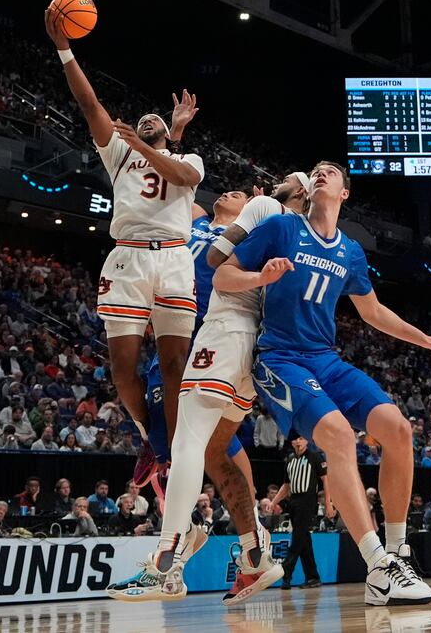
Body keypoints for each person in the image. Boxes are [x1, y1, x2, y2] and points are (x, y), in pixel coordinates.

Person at [221, 161, 431, 607]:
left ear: (344, 193)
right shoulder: (281, 227)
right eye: (315, 169)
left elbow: (373, 312)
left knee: (398, 429)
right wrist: (261, 277)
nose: (320, 173)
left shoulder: (351, 251)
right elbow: (223, 274)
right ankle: (377, 566)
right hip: (280, 359)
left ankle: (397, 551)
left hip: (326, 359)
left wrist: (427, 339)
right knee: (339, 436)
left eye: (331, 171)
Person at [130, 176, 314, 604]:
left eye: (282, 181)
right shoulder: (305, 236)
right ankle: (255, 549)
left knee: (185, 443)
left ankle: (167, 562)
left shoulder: (263, 209)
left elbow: (218, 263)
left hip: (218, 331)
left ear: (295, 193)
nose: (270, 183)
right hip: (255, 345)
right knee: (216, 452)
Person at [48, 11, 202, 488]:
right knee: (122, 370)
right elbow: (89, 102)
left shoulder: (185, 156)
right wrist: (64, 48)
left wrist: (164, 140)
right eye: (142, 120)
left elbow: (184, 177)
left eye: (154, 119)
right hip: (129, 257)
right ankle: (150, 436)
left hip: (174, 257)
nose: (147, 119)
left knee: (176, 365)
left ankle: (174, 456)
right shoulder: (119, 153)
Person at [274, 434, 325, 590]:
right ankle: (313, 577)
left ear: (307, 440)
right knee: (303, 540)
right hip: (294, 501)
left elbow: (326, 481)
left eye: (301, 438)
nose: (298, 441)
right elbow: (286, 485)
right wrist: (274, 501)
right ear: (291, 441)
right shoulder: (289, 459)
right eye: (295, 439)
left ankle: (286, 573)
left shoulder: (315, 457)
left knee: (297, 539)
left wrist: (328, 504)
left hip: (308, 501)